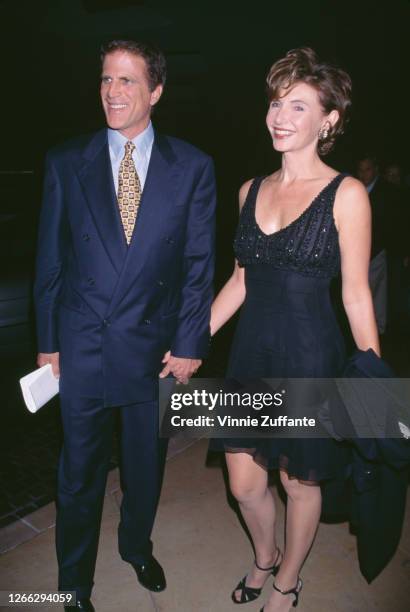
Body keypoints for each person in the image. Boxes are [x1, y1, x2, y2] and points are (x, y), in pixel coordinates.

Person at [34, 40, 216, 611]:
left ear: (155, 92)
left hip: (154, 347)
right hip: (82, 342)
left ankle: (136, 545)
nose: (112, 91)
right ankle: (73, 583)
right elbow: (51, 260)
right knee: (79, 471)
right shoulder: (68, 160)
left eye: (127, 81)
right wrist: (46, 344)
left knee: (145, 465)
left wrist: (190, 342)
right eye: (106, 79)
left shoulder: (192, 167)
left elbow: (197, 265)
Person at [210, 48, 379, 612]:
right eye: (277, 102)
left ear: (328, 120)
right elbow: (240, 281)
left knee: (299, 481)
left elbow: (356, 294)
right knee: (244, 484)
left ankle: (287, 578)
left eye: (298, 106)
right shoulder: (248, 190)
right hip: (250, 354)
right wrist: (188, 340)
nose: (280, 116)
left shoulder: (347, 194)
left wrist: (373, 383)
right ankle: (264, 554)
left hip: (310, 353)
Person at [357, 154, 393, 334]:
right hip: (357, 251)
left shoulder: (384, 192)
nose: (364, 174)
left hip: (377, 250)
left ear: (376, 170)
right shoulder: (355, 189)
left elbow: (389, 223)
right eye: (361, 170)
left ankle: (376, 332)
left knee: (377, 293)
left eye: (368, 169)